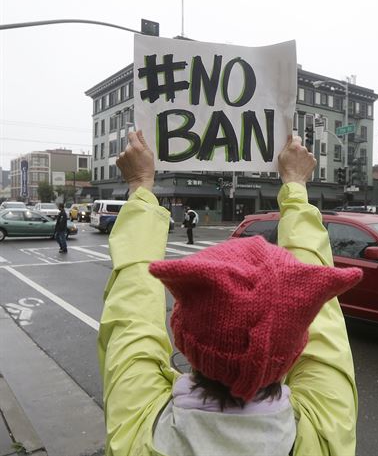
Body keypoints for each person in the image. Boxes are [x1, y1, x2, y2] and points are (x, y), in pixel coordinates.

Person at [98, 131, 361, 456]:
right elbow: (324, 320)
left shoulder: (135, 431)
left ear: (184, 336)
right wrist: (295, 186)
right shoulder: (325, 431)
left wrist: (140, 186)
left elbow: (131, 312)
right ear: (295, 345)